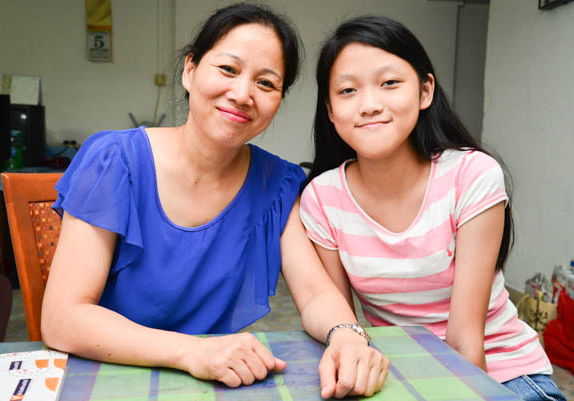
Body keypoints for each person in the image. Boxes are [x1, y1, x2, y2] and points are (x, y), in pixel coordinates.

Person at [41, 4, 388, 399]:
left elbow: (315, 293)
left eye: (266, 83)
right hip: (107, 377)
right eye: (228, 69)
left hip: (209, 386)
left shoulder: (277, 183)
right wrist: (193, 351)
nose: (242, 94)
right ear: (190, 70)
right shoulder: (115, 160)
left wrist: (347, 336)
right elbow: (62, 318)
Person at [299, 15, 566, 401]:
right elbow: (343, 324)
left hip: (502, 374)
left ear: (425, 92)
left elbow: (464, 341)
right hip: (398, 375)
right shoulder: (322, 198)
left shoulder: (471, 175)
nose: (369, 105)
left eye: (389, 83)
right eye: (347, 91)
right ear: (329, 108)